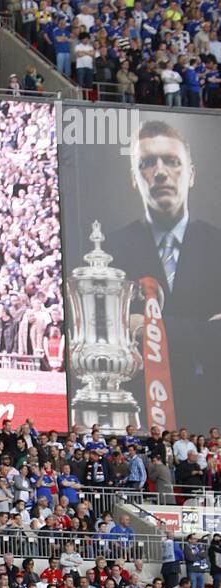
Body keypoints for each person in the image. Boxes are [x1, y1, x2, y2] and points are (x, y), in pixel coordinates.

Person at [101, 120, 221, 429]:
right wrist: (199, 331)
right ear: (134, 178)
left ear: (191, 174)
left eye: (171, 161)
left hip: (209, 409)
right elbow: (109, 338)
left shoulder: (217, 245)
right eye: (147, 163)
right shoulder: (109, 251)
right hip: (138, 416)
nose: (160, 171)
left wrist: (149, 327)